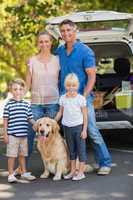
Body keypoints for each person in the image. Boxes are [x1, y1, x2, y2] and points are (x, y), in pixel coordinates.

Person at [56, 19, 112, 175]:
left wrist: (83, 97)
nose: (66, 33)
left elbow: (92, 77)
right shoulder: (60, 51)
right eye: (63, 31)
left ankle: (105, 162)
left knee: (92, 130)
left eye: (69, 30)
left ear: (75, 31)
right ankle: (72, 166)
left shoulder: (86, 51)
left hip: (82, 98)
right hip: (65, 99)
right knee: (68, 132)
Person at [25, 31, 60, 170]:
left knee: (52, 136)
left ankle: (54, 166)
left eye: (47, 41)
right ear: (37, 43)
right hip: (36, 104)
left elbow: (61, 81)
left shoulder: (58, 60)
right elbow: (28, 83)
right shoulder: (31, 61)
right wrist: (19, 99)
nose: (44, 44)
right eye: (41, 42)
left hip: (53, 102)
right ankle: (23, 167)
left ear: (51, 43)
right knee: (29, 134)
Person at [55, 73, 88, 180]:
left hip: (78, 127)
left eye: (73, 85)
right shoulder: (63, 98)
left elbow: (85, 116)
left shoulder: (81, 99)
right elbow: (60, 112)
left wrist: (84, 130)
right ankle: (73, 171)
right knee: (71, 150)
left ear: (77, 86)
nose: (71, 88)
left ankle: (81, 172)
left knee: (81, 150)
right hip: (67, 127)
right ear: (65, 86)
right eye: (69, 85)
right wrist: (53, 121)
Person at [3, 79, 36, 183]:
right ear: (11, 90)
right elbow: (5, 120)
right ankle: (11, 174)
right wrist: (5, 134)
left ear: (24, 90)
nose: (18, 91)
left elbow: (30, 118)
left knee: (22, 155)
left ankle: (24, 172)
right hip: (12, 135)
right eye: (15, 89)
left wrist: (36, 124)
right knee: (12, 155)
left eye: (20, 89)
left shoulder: (26, 104)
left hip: (23, 136)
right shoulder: (8, 105)